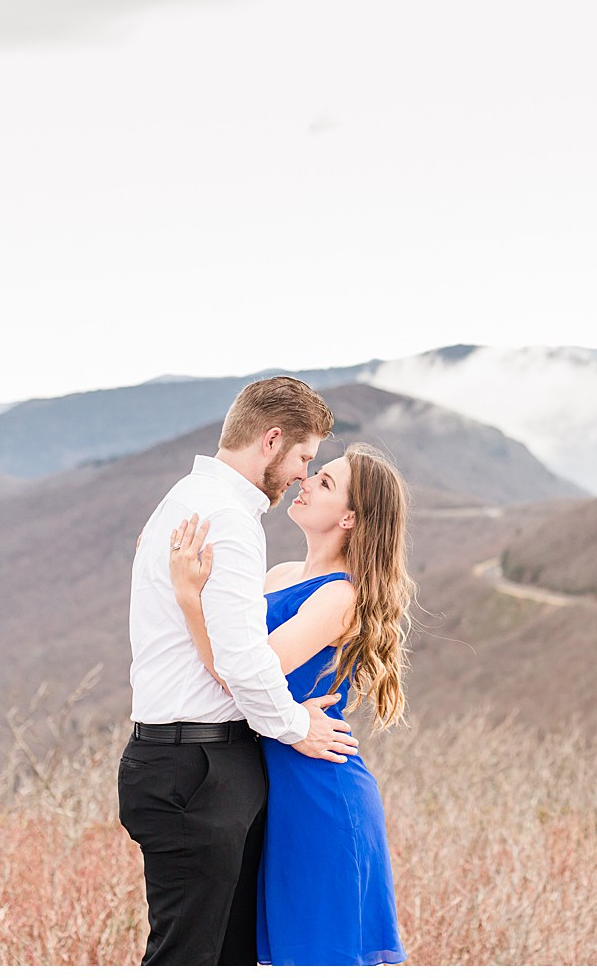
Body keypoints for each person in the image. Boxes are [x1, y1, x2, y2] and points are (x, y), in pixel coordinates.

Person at [118, 376, 360, 966]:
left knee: (219, 954)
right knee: (188, 957)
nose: (303, 474)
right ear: (272, 440)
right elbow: (243, 661)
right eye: (305, 458)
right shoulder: (226, 517)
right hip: (196, 768)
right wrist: (296, 725)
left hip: (194, 762)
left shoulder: (185, 499)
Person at [169, 441, 412, 966]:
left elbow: (239, 673)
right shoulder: (280, 575)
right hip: (272, 784)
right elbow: (226, 638)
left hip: (318, 790)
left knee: (315, 956)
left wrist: (190, 600)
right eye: (314, 472)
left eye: (324, 482)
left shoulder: (340, 597)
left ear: (350, 518)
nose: (306, 481)